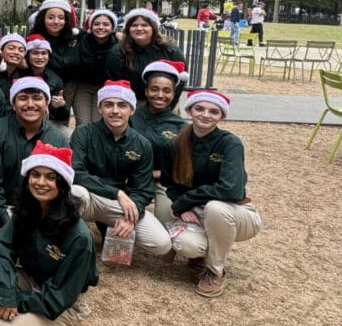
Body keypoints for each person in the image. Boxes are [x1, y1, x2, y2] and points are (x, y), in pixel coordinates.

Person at [0, 141, 98, 326]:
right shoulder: (26, 212)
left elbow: (58, 298)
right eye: (35, 174)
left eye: (50, 177)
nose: (40, 182)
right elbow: (0, 251)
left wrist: (2, 303)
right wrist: (8, 294)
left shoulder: (79, 236)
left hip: (64, 301)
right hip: (33, 280)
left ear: (62, 184)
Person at [159, 91, 262, 298]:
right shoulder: (176, 143)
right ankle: (200, 255)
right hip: (198, 211)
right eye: (200, 109)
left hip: (236, 213)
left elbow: (230, 189)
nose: (206, 115)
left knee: (215, 208)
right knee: (185, 244)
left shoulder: (230, 143)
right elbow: (169, 182)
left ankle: (216, 271)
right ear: (189, 110)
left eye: (214, 111)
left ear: (221, 116)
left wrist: (185, 201)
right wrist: (183, 204)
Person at [69, 80, 171, 258]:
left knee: (161, 244)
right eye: (108, 105)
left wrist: (133, 215)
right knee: (74, 192)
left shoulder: (142, 144)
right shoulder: (83, 133)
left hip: (118, 206)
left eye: (122, 105)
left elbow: (143, 189)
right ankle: (69, 243)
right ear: (100, 108)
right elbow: (75, 173)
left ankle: (113, 233)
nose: (115, 110)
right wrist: (117, 193)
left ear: (132, 110)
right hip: (91, 197)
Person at [0, 77, 68, 229]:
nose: (30, 104)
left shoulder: (57, 139)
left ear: (46, 104)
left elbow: (61, 187)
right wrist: (9, 226)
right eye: (23, 98)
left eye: (37, 98)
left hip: (42, 210)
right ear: (13, 104)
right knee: (1, 249)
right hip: (3, 210)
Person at [129, 60, 189, 223]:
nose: (160, 95)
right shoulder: (130, 117)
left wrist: (156, 174)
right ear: (146, 91)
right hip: (131, 178)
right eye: (154, 89)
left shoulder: (180, 126)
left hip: (164, 181)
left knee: (166, 223)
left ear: (173, 94)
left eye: (166, 91)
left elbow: (183, 165)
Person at [105, 8, 187, 108]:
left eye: (144, 25)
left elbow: (181, 80)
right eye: (134, 25)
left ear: (153, 28)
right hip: (131, 104)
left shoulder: (170, 50)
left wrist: (169, 106)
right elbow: (115, 82)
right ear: (128, 29)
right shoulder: (118, 52)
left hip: (165, 103)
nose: (139, 28)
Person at [68, 9, 118, 125]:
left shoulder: (117, 45)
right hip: (83, 87)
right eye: (96, 24)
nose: (101, 27)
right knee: (83, 123)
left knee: (98, 123)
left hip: (104, 88)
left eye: (106, 24)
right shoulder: (81, 39)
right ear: (91, 26)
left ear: (112, 27)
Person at [22, 34, 69, 134]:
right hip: (20, 120)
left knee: (68, 135)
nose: (40, 57)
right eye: (35, 53)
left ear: (48, 56)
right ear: (28, 55)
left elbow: (61, 117)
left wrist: (61, 106)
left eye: (44, 53)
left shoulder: (55, 79)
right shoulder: (19, 74)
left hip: (46, 123)